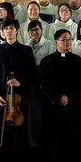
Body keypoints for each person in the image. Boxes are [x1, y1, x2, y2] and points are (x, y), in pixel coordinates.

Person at [0, 19, 38, 162]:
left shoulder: (26, 51)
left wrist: (20, 82)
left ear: (17, 30)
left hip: (20, 102)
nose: (8, 31)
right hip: (2, 102)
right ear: (2, 32)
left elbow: (33, 76)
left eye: (11, 28)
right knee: (3, 139)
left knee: (20, 138)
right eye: (5, 29)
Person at [40, 29, 81, 162]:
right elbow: (44, 83)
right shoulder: (46, 61)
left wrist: (68, 98)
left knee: (72, 140)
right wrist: (58, 97)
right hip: (53, 107)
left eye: (69, 39)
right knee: (54, 141)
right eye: (64, 39)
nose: (67, 42)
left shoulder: (78, 61)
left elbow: (80, 83)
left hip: (71, 106)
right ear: (56, 42)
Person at [26, 20, 56, 148]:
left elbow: (51, 63)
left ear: (42, 30)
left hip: (45, 84)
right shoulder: (27, 47)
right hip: (31, 85)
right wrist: (29, 47)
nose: (35, 32)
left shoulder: (49, 44)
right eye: (32, 30)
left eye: (37, 29)